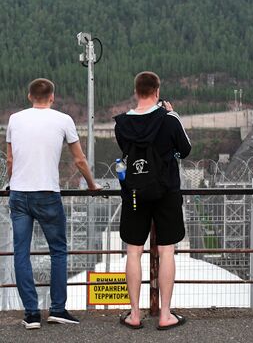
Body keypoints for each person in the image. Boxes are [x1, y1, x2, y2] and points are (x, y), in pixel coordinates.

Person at [7, 78, 101, 329]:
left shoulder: (14, 120)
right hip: (47, 193)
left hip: (18, 193)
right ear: (52, 97)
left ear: (29, 96)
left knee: (21, 253)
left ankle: (31, 314)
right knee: (58, 250)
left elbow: (10, 160)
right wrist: (92, 185)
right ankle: (58, 309)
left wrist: (11, 181)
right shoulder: (63, 120)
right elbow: (79, 160)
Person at [114, 71, 191, 330]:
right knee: (167, 250)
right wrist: (173, 113)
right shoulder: (168, 119)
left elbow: (126, 148)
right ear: (157, 91)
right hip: (166, 190)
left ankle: (134, 314)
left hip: (134, 192)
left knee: (133, 251)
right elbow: (185, 150)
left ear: (136, 92)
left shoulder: (122, 123)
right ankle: (165, 314)